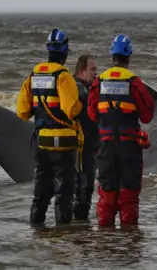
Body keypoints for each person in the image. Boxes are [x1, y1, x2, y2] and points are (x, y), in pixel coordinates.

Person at [16, 28, 83, 225]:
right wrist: (81, 103)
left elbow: (22, 112)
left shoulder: (33, 75)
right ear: (65, 51)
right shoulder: (63, 76)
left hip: (41, 141)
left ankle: (36, 229)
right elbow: (71, 109)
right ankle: (62, 233)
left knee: (40, 191)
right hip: (62, 143)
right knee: (64, 192)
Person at [87, 34, 155, 227]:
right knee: (128, 196)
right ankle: (128, 243)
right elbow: (147, 115)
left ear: (112, 55)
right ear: (128, 56)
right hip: (129, 147)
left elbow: (92, 114)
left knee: (107, 196)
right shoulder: (134, 82)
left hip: (106, 146)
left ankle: (106, 244)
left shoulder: (98, 82)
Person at [72, 54, 99, 220]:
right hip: (83, 146)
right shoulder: (80, 91)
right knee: (84, 187)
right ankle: (81, 221)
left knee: (78, 187)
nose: (96, 73)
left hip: (83, 146)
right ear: (82, 72)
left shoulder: (75, 88)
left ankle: (77, 223)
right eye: (92, 69)